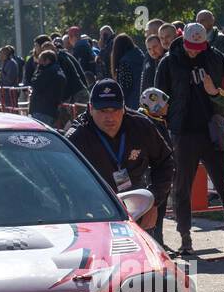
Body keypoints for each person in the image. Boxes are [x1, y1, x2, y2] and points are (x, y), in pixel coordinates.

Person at [154, 21, 224, 257]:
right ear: (182, 41)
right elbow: (158, 96)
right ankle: (185, 236)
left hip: (212, 129)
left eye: (199, 46)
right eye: (190, 46)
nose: (195, 50)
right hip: (182, 131)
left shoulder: (213, 55)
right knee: (182, 185)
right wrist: (163, 113)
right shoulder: (169, 61)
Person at [65, 79, 175, 246]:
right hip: (95, 214)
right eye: (103, 110)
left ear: (124, 108)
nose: (110, 117)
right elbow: (63, 182)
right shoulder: (77, 137)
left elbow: (166, 162)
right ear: (90, 109)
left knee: (142, 266)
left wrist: (154, 200)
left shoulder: (141, 126)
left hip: (137, 208)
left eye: (115, 109)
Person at [27, 49, 65, 126]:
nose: (38, 63)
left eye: (40, 60)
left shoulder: (47, 72)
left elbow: (35, 83)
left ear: (47, 60)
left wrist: (38, 71)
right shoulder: (59, 70)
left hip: (42, 109)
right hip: (52, 109)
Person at [110, 33, 148, 110]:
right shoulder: (141, 55)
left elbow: (125, 87)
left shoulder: (124, 62)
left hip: (132, 103)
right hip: (145, 99)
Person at [67, 26, 97, 93]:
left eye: (69, 37)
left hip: (87, 83)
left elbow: (80, 68)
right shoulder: (87, 46)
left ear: (74, 36)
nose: (69, 40)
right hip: (94, 80)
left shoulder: (79, 48)